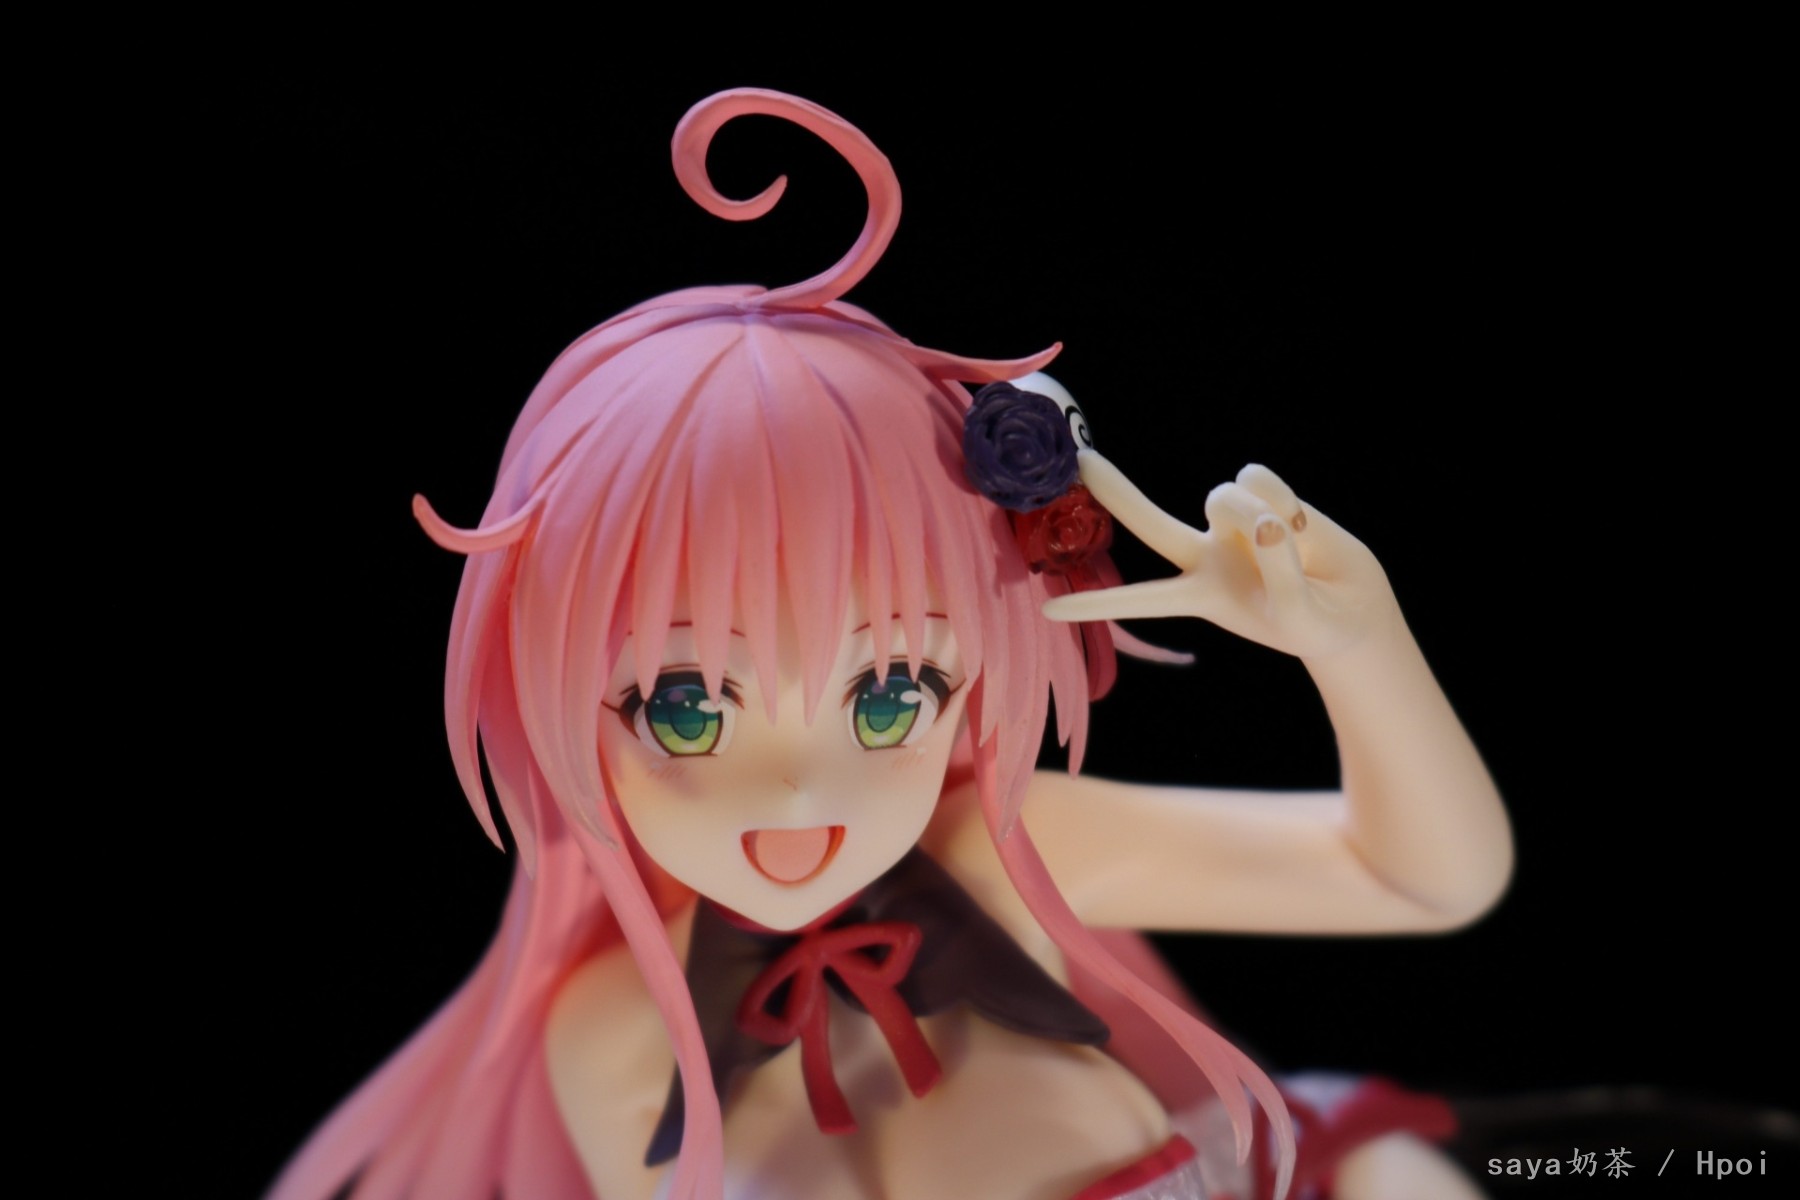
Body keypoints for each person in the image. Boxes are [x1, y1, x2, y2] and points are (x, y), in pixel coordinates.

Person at [270, 87, 1508, 1200]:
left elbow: (1420, 881)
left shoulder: (1005, 857)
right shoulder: (607, 1037)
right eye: (686, 708)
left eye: (889, 697)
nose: (801, 791)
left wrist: (1357, 646)